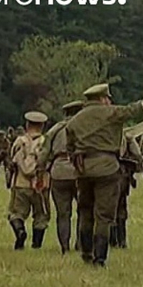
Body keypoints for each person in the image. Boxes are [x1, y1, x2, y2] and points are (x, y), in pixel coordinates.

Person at [66, 81, 143, 267]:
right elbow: (138, 108)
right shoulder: (111, 113)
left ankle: (86, 253)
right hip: (107, 168)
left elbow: (70, 147)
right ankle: (99, 258)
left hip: (83, 170)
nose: (109, 101)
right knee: (104, 215)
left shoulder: (74, 120)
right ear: (102, 99)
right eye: (108, 98)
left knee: (85, 212)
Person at [38, 100, 84, 254]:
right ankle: (80, 243)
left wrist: (40, 173)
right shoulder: (84, 128)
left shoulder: (54, 130)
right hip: (79, 171)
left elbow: (43, 154)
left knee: (63, 213)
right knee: (84, 210)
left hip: (58, 172)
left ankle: (64, 247)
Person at [7, 111, 51, 250]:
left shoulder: (19, 141)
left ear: (27, 124)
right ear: (42, 126)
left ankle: (20, 232)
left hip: (21, 183)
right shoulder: (45, 142)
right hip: (40, 183)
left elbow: (11, 159)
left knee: (16, 213)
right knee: (41, 215)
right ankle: (36, 244)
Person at [110, 134, 142, 249]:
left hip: (106, 173)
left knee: (108, 207)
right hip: (122, 174)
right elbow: (138, 154)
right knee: (121, 207)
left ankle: (112, 240)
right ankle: (121, 240)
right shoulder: (127, 137)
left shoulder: (103, 133)